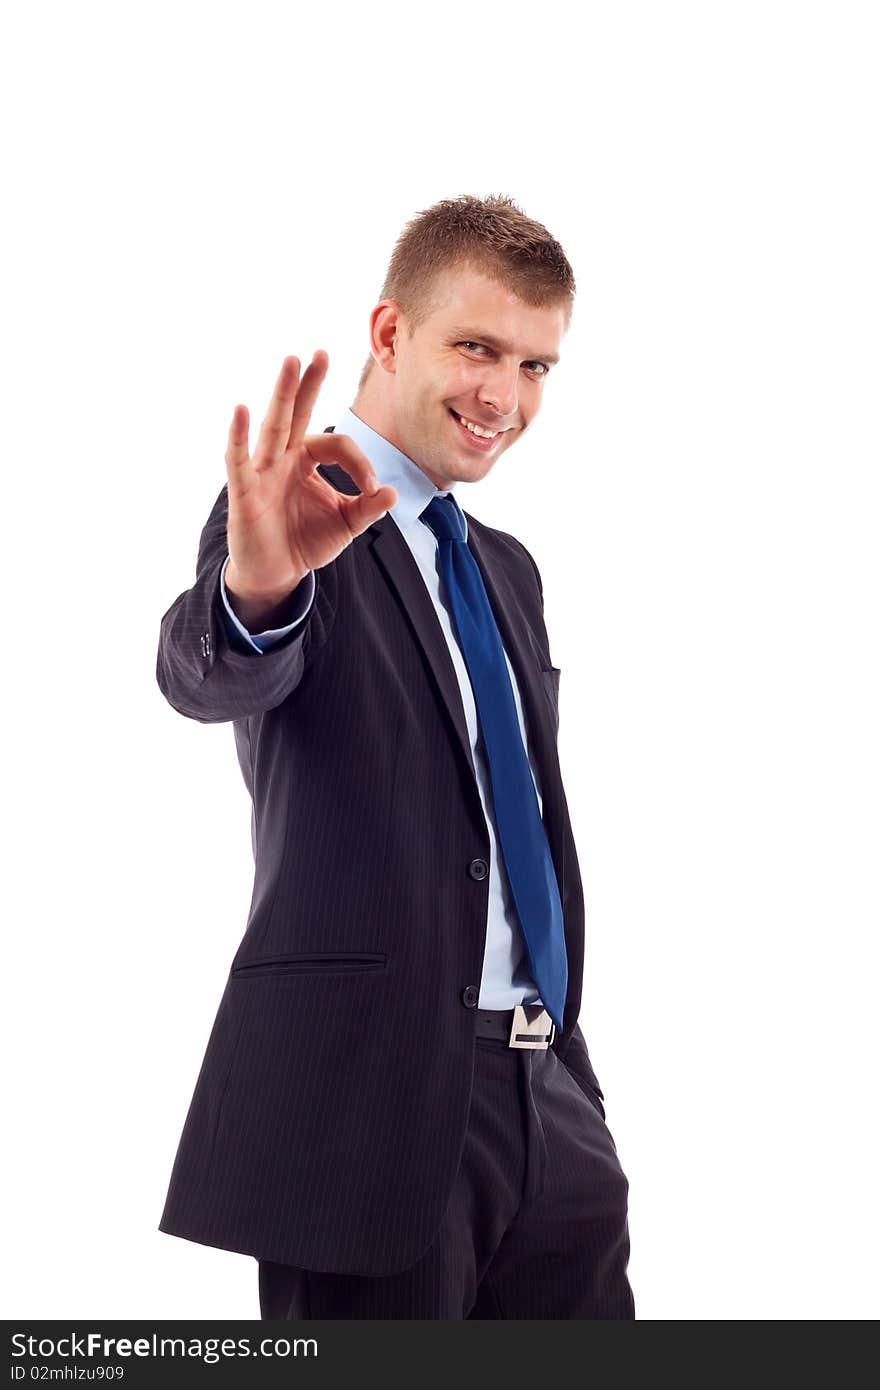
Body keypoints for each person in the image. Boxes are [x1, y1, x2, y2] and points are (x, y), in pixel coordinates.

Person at [156, 193, 635, 1319]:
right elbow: (208, 670)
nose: (503, 397)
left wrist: (565, 1081)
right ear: (388, 335)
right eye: (476, 347)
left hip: (548, 1098)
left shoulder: (505, 567)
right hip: (370, 1110)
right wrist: (258, 590)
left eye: (534, 366)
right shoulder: (288, 509)